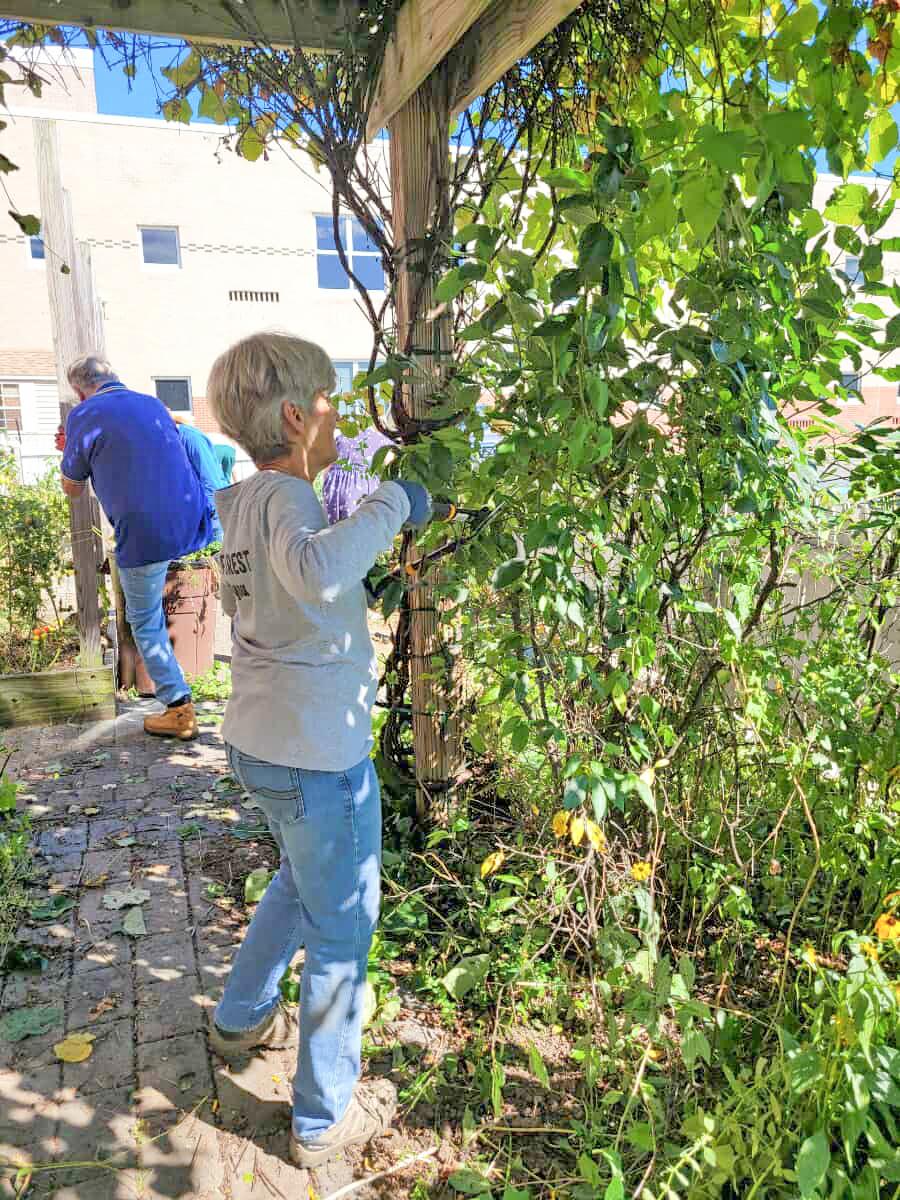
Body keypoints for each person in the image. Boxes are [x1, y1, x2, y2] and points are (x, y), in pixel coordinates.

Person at [204, 332, 432, 1167]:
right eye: (330, 400)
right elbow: (321, 574)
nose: (339, 414)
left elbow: (296, 589)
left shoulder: (243, 506)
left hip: (261, 746)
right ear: (297, 418)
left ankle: (239, 1017)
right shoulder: (290, 506)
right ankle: (320, 1120)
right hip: (317, 755)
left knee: (300, 880)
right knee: (343, 926)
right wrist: (395, 503)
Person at [56, 355, 213, 740]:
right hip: (189, 520)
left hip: (145, 532)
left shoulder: (84, 415)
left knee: (144, 621)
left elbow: (73, 488)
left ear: (79, 391)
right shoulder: (152, 403)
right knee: (159, 602)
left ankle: (179, 709)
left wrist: (68, 451)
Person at [170, 412, 228, 543]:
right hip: (193, 520)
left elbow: (210, 481)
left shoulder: (191, 438)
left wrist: (207, 516)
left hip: (210, 520)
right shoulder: (171, 442)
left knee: (214, 561)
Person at [321, 426, 392, 524]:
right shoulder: (383, 441)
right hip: (360, 486)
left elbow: (327, 467)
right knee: (357, 529)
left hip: (335, 485)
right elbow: (389, 473)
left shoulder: (343, 433)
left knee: (332, 532)